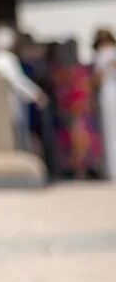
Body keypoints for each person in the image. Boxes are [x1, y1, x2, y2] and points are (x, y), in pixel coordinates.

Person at [0, 25, 48, 156]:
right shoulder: (6, 59)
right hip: (12, 105)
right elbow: (18, 81)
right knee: (18, 141)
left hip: (6, 106)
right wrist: (36, 94)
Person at [48, 39, 101, 179]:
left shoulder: (71, 71)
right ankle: (76, 167)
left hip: (76, 108)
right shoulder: (67, 70)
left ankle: (81, 167)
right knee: (73, 139)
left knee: (79, 139)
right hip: (72, 108)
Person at [93, 28, 116, 179]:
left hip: (108, 93)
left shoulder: (101, 55)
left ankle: (112, 170)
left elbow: (98, 79)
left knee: (110, 132)